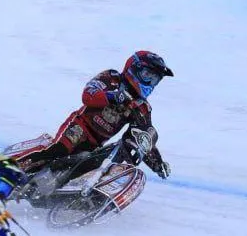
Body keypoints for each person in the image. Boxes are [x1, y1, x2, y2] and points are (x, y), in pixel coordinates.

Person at [13, 51, 174, 184]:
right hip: (80, 127)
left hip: (96, 144)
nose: (150, 82)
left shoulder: (142, 107)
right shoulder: (111, 78)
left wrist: (157, 164)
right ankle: (10, 168)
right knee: (59, 149)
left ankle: (60, 195)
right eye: (148, 75)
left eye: (155, 79)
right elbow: (88, 95)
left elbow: (143, 137)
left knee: (83, 167)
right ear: (134, 68)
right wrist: (112, 96)